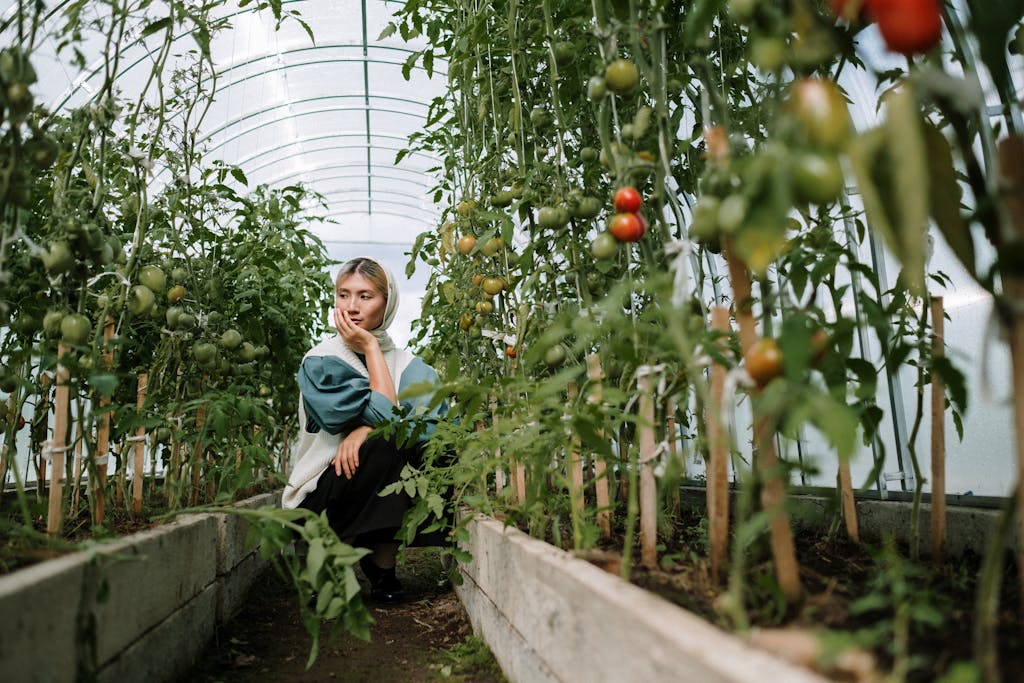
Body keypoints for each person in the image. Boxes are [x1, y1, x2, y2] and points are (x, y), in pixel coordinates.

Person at [282, 256, 447, 602]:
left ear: (388, 304)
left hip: (380, 486)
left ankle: (381, 567)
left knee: (411, 450)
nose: (352, 307)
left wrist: (364, 430)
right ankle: (330, 566)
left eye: (365, 296)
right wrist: (371, 349)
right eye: (343, 295)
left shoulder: (411, 367)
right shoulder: (322, 361)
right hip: (324, 491)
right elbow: (378, 421)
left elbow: (433, 433)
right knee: (386, 443)